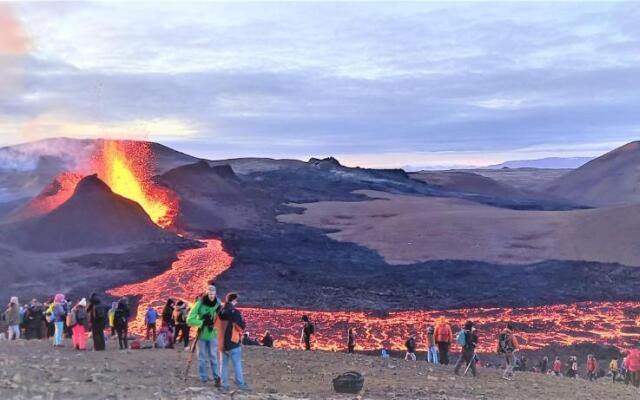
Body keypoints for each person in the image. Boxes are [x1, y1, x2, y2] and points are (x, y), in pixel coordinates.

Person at [186, 281, 222, 385]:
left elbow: (222, 319)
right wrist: (202, 322)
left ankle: (217, 378)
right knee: (202, 358)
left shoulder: (218, 304)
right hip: (201, 335)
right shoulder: (199, 304)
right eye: (210, 294)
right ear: (207, 293)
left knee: (213, 356)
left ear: (215, 293)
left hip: (213, 334)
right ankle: (203, 378)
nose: (211, 296)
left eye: (213, 294)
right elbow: (189, 320)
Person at [219, 292, 249, 392]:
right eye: (236, 300)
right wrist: (243, 323)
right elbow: (241, 326)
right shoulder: (234, 312)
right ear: (234, 300)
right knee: (237, 364)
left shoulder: (220, 311)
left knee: (223, 365)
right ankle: (240, 384)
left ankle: (224, 385)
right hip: (233, 342)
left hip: (222, 342)